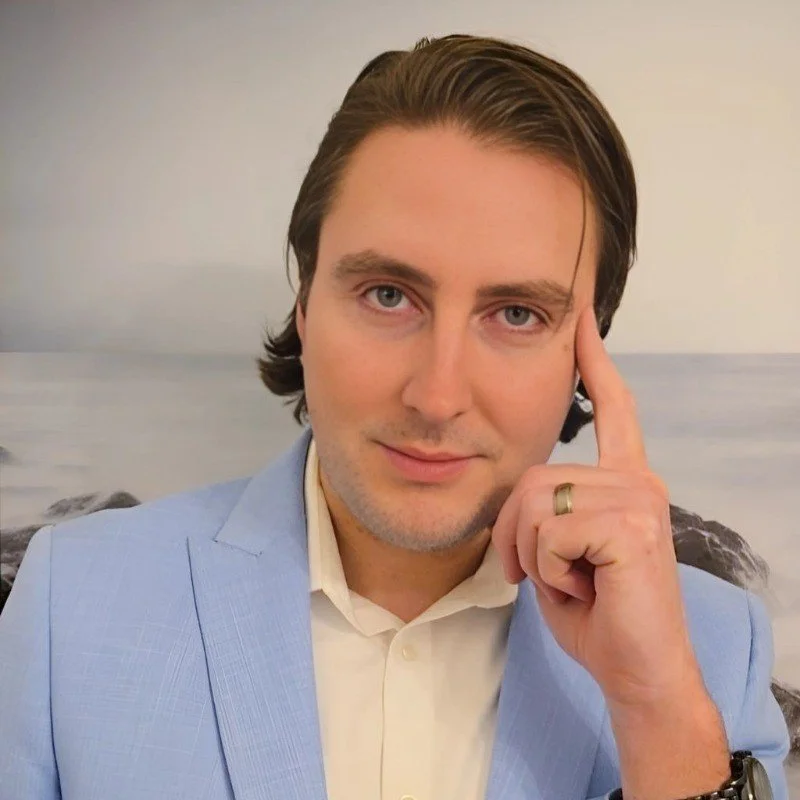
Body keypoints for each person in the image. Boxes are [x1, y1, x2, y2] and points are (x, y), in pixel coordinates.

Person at [0, 34, 790, 800]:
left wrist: (656, 710)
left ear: (588, 357)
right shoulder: (73, 601)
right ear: (305, 304)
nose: (437, 395)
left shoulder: (710, 651)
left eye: (516, 313)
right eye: (388, 295)